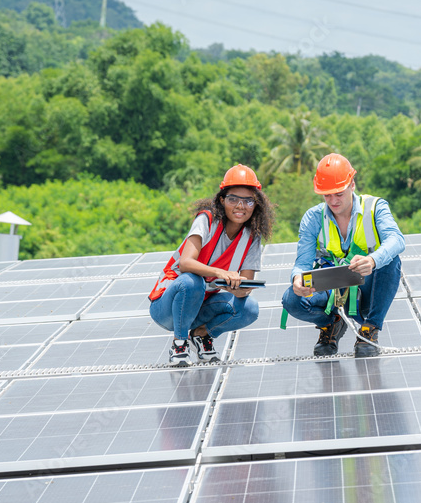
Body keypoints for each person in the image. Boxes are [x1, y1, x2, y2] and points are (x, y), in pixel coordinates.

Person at [282, 153, 405, 358]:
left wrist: (372, 260)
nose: (333, 200)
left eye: (338, 193)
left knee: (391, 260)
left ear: (352, 185)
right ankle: (332, 325)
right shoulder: (313, 218)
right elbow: (302, 262)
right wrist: (297, 279)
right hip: (331, 288)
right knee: (291, 300)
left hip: (366, 290)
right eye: (326, 195)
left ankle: (370, 328)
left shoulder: (375, 207)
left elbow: (396, 240)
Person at [149, 164, 273, 366]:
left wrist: (234, 286)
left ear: (256, 204)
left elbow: (245, 288)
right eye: (233, 199)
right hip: (168, 308)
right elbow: (186, 262)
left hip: (198, 309)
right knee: (192, 281)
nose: (240, 206)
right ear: (222, 200)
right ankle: (179, 345)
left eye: (248, 201)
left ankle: (202, 335)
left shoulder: (253, 237)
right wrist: (222, 273)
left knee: (249, 308)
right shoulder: (207, 219)